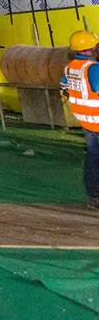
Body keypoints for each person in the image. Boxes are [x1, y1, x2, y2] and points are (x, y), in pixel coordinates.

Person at [62, 30, 99, 208]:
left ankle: (94, 196)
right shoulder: (93, 68)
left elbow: (65, 88)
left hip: (85, 120)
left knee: (93, 156)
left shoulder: (71, 67)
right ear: (92, 48)